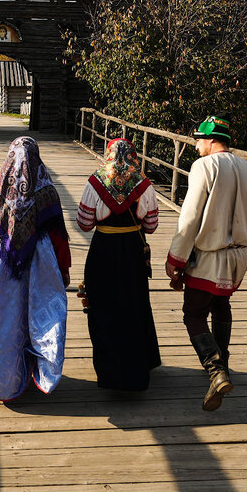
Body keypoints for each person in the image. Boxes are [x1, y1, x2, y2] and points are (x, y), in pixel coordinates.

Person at [165, 115, 247, 411]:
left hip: (210, 255)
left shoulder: (204, 167)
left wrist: (176, 257)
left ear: (211, 140)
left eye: (199, 139)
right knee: (221, 303)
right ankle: (223, 360)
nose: (196, 145)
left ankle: (215, 370)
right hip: (241, 255)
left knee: (194, 313)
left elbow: (190, 216)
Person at [0, 136, 72, 400]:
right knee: (35, 316)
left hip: (4, 262)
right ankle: (36, 369)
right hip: (40, 264)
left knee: (5, 318)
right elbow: (58, 234)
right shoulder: (47, 190)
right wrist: (64, 268)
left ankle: (2, 379)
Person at [76, 138, 162, 390]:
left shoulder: (95, 181)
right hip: (133, 252)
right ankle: (136, 369)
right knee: (133, 304)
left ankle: (109, 371)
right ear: (133, 155)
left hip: (103, 249)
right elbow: (152, 226)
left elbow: (84, 223)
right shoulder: (144, 184)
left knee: (102, 305)